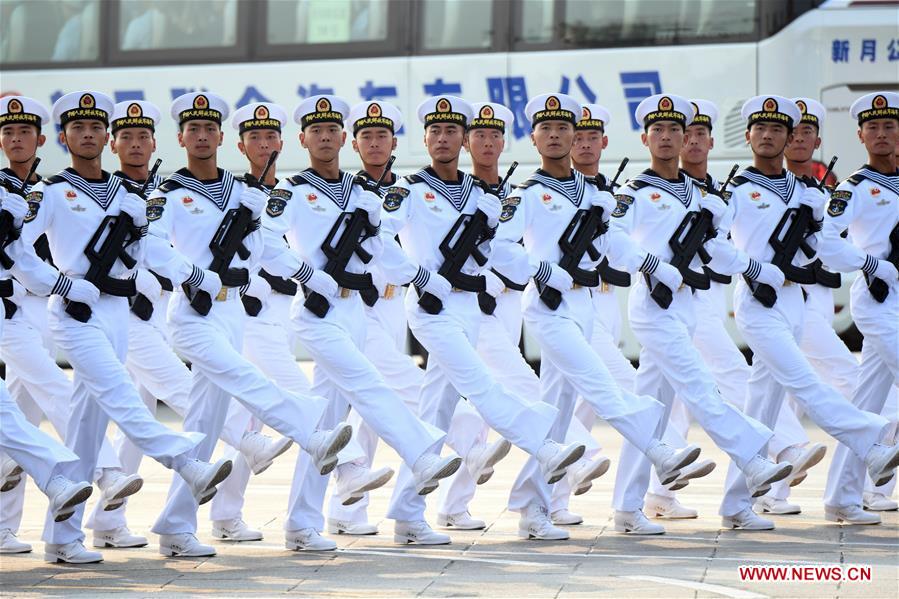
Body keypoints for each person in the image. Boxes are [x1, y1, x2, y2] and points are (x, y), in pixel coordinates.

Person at [22, 90, 225, 564]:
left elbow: (151, 250)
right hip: (75, 313)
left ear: (104, 137)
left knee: (87, 428)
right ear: (64, 137)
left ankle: (62, 539)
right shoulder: (50, 192)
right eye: (78, 128)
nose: (88, 135)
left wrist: (193, 276)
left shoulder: (128, 193)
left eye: (96, 127)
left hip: (118, 312)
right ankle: (185, 460)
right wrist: (59, 283)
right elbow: (14, 249)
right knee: (120, 392)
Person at [145, 91, 348, 557]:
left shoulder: (243, 193)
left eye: (208, 129)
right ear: (180, 138)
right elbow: (152, 247)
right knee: (242, 376)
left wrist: (306, 274)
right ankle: (308, 430)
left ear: (220, 137)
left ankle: (175, 527)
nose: (201, 136)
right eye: (193, 129)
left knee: (204, 423)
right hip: (193, 311)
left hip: (232, 310)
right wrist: (193, 274)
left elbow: (264, 250)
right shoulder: (169, 194)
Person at [263, 95, 454, 551]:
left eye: (332, 130)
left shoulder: (360, 192)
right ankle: (419, 450)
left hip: (355, 311)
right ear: (302, 139)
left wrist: (417, 274)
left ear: (342, 138)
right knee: (369, 383)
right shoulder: (292, 191)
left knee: (327, 427)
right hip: (318, 311)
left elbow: (380, 249)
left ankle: (300, 525)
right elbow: (264, 243)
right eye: (316, 131)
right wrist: (307, 274)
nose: (325, 137)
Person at [720, 94, 897, 529]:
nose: (769, 136)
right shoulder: (736, 190)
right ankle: (869, 440)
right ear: (748, 135)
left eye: (779, 130)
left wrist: (839, 244)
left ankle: (736, 505)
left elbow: (826, 247)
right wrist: (752, 267)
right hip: (758, 300)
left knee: (763, 405)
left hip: (795, 299)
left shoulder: (806, 192)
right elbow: (713, 248)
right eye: (761, 129)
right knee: (804, 379)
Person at [820, 91, 899, 524]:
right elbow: (827, 243)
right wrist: (871, 263)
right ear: (860, 135)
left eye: (889, 126)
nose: (881, 133)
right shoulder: (853, 188)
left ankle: (841, 497)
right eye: (873, 127)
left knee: (866, 406)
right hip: (878, 299)